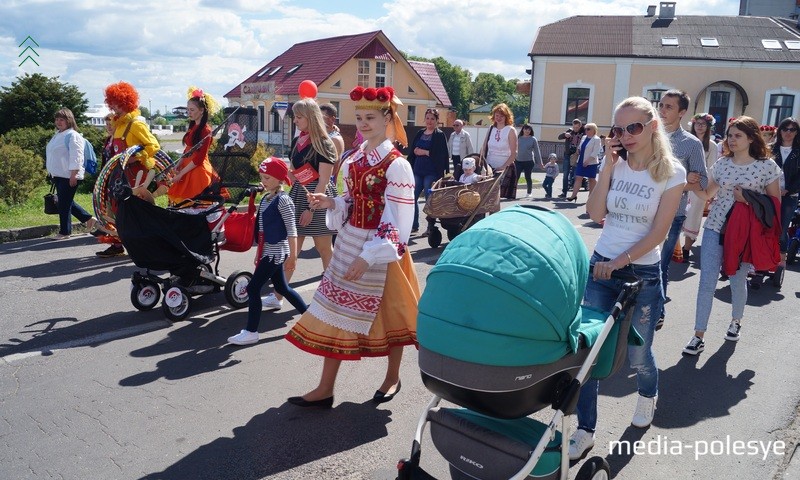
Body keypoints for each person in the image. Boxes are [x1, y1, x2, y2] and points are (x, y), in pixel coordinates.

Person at [284, 85, 418, 408]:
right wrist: (330, 201)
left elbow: (398, 219)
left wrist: (371, 254)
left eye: (370, 117)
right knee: (333, 311)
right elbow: (351, 199)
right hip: (349, 241)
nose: (363, 123)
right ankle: (325, 387)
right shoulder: (352, 159)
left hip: (383, 248)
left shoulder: (397, 165)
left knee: (392, 315)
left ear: (387, 117)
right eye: (358, 117)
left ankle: (392, 377)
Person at [569, 96, 685, 461]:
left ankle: (648, 395)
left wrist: (620, 261)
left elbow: (660, 232)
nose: (626, 135)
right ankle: (585, 429)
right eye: (619, 129)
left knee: (637, 355)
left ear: (652, 125)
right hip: (602, 267)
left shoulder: (672, 172)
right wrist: (607, 166)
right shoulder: (615, 165)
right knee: (590, 352)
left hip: (642, 272)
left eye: (634, 127)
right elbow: (594, 211)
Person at [682, 116, 781, 355]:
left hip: (744, 233)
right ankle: (698, 335)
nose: (731, 140)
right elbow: (707, 195)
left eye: (738, 135)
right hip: (716, 227)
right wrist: (693, 183)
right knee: (707, 282)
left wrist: (747, 198)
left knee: (737, 280)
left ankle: (736, 321)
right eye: (730, 135)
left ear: (751, 138)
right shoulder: (722, 164)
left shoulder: (767, 166)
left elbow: (774, 203)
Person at [262, 99, 338, 311]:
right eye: (295, 117)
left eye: (299, 117)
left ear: (310, 117)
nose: (295, 121)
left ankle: (333, 295)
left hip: (317, 198)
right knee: (290, 249)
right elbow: (293, 174)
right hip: (298, 195)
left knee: (324, 249)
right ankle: (278, 295)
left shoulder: (324, 142)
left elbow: (324, 180)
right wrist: (273, 182)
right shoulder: (299, 141)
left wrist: (311, 209)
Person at [228, 158, 308, 346]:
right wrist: (259, 252)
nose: (263, 181)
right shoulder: (267, 197)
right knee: (281, 288)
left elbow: (292, 230)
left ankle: (251, 331)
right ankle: (309, 317)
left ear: (280, 179)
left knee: (253, 288)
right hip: (268, 251)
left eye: (267, 178)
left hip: (277, 252)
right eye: (262, 177)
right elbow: (262, 228)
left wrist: (293, 257)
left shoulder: (284, 200)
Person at [656, 90, 707, 329]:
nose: (662, 110)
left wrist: (690, 179)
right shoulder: (648, 134)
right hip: (642, 209)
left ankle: (657, 309)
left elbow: (704, 182)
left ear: (682, 112)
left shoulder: (691, 143)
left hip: (671, 214)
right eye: (661, 105)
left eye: (668, 107)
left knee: (659, 263)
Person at [96, 81, 164, 257]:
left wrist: (136, 156)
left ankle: (150, 243)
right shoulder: (118, 126)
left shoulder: (135, 124)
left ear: (127, 103)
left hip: (135, 173)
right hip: (120, 173)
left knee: (138, 210)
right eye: (112, 104)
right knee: (119, 210)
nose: (114, 109)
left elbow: (153, 145)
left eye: (117, 104)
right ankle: (121, 244)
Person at [45, 108, 97, 239]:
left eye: (62, 119)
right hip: (59, 175)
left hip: (69, 175)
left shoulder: (73, 135)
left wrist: (74, 174)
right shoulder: (57, 135)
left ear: (69, 120)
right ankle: (89, 219)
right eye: (57, 119)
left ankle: (65, 232)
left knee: (63, 203)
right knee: (65, 201)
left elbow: (77, 156)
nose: (58, 122)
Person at [166, 87, 220, 205]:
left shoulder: (206, 131)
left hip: (197, 172)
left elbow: (198, 159)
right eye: (188, 110)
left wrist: (181, 174)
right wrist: (179, 164)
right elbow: (188, 149)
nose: (189, 113)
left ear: (201, 111)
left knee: (196, 206)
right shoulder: (193, 127)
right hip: (187, 169)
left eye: (192, 110)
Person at [681, 113, 719, 259]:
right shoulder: (687, 141)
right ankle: (673, 247)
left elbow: (711, 168)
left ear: (708, 126)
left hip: (699, 186)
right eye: (698, 123)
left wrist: (705, 187)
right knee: (677, 213)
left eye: (704, 124)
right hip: (683, 182)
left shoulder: (712, 145)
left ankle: (686, 248)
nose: (700, 126)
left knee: (693, 215)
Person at [407, 108, 449, 235]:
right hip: (417, 170)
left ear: (437, 121)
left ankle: (430, 226)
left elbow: (442, 155)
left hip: (431, 172)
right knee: (411, 197)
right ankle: (414, 225)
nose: (429, 121)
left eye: (432, 119)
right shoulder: (420, 133)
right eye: (428, 118)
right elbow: (412, 150)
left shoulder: (439, 135)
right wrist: (415, 152)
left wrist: (425, 152)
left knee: (429, 198)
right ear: (424, 119)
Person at [772, 117, 800, 270]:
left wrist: (788, 189)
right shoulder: (771, 149)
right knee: (767, 225)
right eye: (785, 129)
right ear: (780, 130)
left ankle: (782, 257)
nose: (788, 133)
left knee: (782, 228)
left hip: (790, 196)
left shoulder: (798, 152)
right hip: (770, 194)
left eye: (792, 130)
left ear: (796, 133)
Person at [483, 103, 518, 199]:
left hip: (504, 167)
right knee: (485, 196)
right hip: (489, 166)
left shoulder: (510, 130)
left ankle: (494, 214)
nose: (498, 118)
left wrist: (503, 167)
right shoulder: (491, 129)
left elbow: (514, 153)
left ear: (506, 117)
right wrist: (481, 163)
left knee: (495, 198)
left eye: (501, 116)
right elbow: (484, 148)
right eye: (497, 115)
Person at [566, 123, 601, 202]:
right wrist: (578, 150)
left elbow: (595, 152)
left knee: (591, 179)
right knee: (578, 177)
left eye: (588, 129)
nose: (586, 130)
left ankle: (591, 197)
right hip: (581, 160)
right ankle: (573, 196)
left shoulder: (597, 139)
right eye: (585, 129)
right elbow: (580, 146)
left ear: (594, 130)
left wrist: (588, 161)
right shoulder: (584, 137)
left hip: (591, 162)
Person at [320, 103, 346, 183]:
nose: (318, 120)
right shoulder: (319, 135)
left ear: (332, 119)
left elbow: (334, 169)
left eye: (322, 117)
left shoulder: (335, 139)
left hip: (325, 182)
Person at [558, 119, 584, 198]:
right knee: (565, 174)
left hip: (577, 156)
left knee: (576, 175)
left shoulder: (583, 134)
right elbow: (559, 137)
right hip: (568, 155)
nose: (575, 129)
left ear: (580, 126)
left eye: (577, 127)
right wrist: (565, 134)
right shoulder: (570, 131)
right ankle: (564, 193)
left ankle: (574, 194)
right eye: (574, 127)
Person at [516, 124, 543, 198]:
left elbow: (537, 151)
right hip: (518, 161)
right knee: (516, 177)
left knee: (527, 176)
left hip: (529, 161)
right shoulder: (519, 138)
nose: (527, 131)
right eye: (525, 129)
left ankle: (529, 192)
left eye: (529, 129)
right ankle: (513, 192)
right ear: (523, 130)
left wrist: (540, 163)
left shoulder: (533, 139)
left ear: (531, 131)